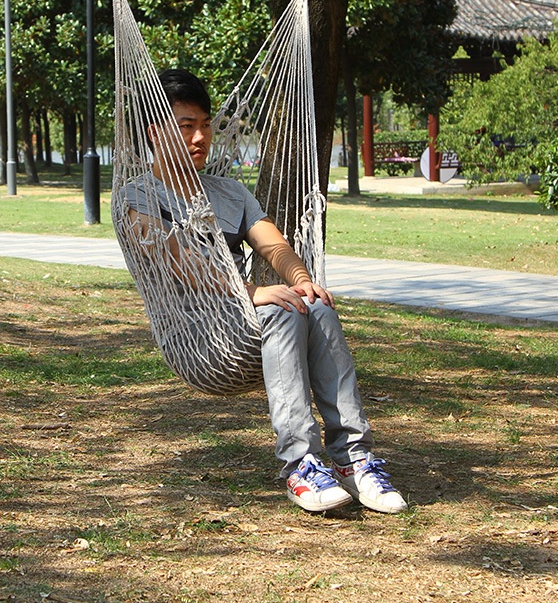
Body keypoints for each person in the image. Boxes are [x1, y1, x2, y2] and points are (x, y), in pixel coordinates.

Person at [125, 69, 407, 515]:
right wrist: (249, 291)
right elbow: (178, 260)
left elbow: (274, 245)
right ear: (155, 132)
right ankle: (301, 464)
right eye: (186, 126)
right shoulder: (137, 197)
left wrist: (301, 279)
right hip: (198, 335)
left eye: (205, 125)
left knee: (313, 305)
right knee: (281, 310)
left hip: (248, 323)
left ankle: (353, 458)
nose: (200, 137)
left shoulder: (230, 193)